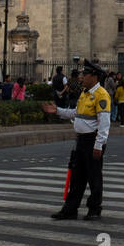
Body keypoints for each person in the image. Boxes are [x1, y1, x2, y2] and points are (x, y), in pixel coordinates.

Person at [43, 61, 112, 220]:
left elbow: (104, 123)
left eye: (85, 74)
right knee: (77, 176)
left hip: (92, 140)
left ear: (94, 76)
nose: (82, 77)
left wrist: (99, 145)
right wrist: (57, 111)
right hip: (81, 140)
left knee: (94, 176)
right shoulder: (85, 93)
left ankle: (94, 209)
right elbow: (76, 113)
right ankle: (70, 209)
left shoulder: (101, 95)